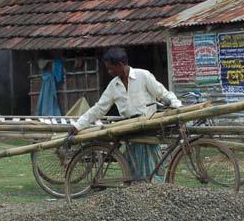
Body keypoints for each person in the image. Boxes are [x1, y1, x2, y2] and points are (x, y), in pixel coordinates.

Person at [68, 47, 182, 182]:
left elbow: (163, 93)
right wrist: (78, 125)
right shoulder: (114, 85)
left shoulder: (143, 76)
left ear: (120, 65)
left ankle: (152, 190)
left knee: (155, 167)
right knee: (131, 169)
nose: (109, 72)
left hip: (149, 128)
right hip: (129, 129)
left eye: (111, 68)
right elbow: (99, 109)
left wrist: (178, 107)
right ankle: (134, 191)